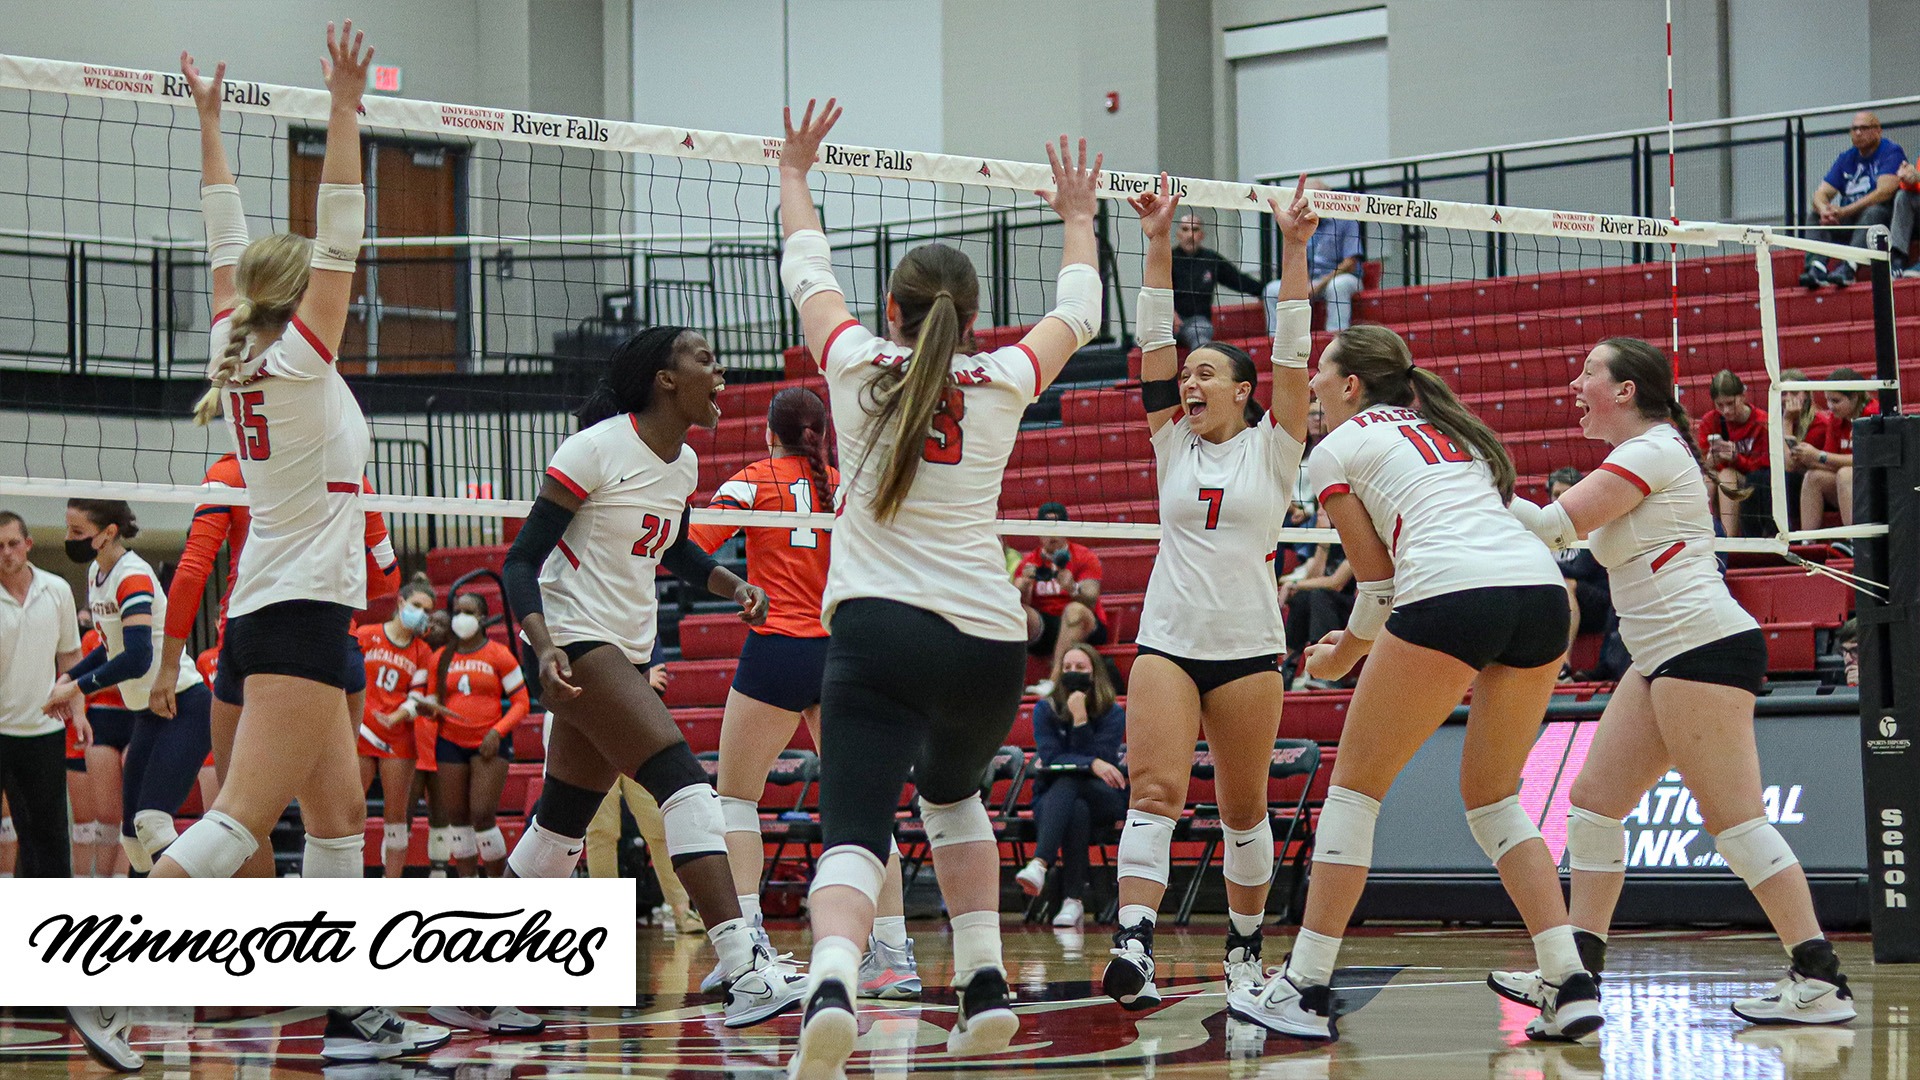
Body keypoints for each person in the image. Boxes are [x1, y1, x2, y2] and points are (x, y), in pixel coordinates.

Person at [777, 99, 1104, 1077]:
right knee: (956, 800)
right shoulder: (1003, 376)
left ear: (894, 310)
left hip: (882, 634)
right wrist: (1078, 216)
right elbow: (1081, 314)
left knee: (854, 830)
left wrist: (797, 173)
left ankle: (834, 980)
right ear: (969, 316)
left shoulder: (850, 361)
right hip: (989, 644)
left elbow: (807, 271)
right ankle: (984, 978)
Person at [157, 33, 453, 1064]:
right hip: (290, 617)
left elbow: (220, 237)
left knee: (339, 824)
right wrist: (341, 107)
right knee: (241, 822)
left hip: (282, 612)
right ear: (303, 295)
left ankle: (348, 1013)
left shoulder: (232, 343)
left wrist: (208, 125)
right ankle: (109, 978)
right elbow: (343, 226)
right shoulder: (293, 357)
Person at [1228, 323, 1597, 1042]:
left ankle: (1303, 987)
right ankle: (1568, 976)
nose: (1312, 391)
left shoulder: (1335, 448)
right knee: (1494, 802)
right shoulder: (1446, 430)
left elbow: (1379, 585)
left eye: (1322, 376)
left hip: (1455, 595)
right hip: (1542, 598)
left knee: (1353, 792)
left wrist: (1340, 659)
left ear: (1352, 386)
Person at [1498, 336, 1856, 1026]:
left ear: (1626, 390)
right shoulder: (1637, 455)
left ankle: (1820, 981)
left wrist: (1469, 479)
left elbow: (1548, 527)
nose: (1574, 383)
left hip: (1703, 644)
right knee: (1594, 805)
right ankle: (1575, 982)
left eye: (1587, 371)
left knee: (1737, 825)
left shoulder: (1651, 450)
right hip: (1660, 653)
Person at [497, 317, 806, 1031]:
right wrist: (542, 648)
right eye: (707, 359)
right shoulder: (593, 449)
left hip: (625, 646)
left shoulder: (684, 464)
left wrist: (734, 589)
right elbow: (520, 561)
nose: (721, 371)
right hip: (573, 643)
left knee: (559, 830)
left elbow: (672, 550)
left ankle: (477, 980)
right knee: (683, 781)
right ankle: (743, 968)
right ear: (666, 379)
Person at [1101, 175, 1311, 1011]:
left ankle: (1245, 952)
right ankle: (1135, 944)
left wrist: (1293, 248)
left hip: (1251, 649)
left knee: (1243, 811)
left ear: (1243, 390)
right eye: (1185, 373)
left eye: (1207, 373)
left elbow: (1294, 349)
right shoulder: (1170, 443)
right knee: (1153, 793)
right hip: (1170, 640)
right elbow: (1152, 338)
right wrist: (1154, 242)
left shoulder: (1277, 446)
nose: (1189, 383)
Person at [685, 386, 923, 1002]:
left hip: (775, 652)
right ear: (824, 434)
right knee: (865, 807)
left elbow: (691, 547)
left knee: (735, 799)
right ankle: (893, 955)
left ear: (770, 432)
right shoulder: (847, 487)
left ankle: (748, 947)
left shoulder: (751, 479)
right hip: (840, 655)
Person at [151, 450, 400, 880]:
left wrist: (170, 666)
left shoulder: (230, 471)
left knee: (319, 820)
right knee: (268, 820)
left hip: (244, 639)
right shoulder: (344, 470)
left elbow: (193, 571)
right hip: (325, 640)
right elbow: (386, 578)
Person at [42, 500, 212, 875]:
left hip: (184, 707)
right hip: (148, 714)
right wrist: (70, 677)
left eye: (78, 532)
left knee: (152, 822)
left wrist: (78, 689)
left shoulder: (132, 576)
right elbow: (111, 647)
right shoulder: (96, 573)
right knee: (133, 838)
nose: (69, 539)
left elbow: (137, 657)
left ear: (108, 533)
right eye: (68, 529)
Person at [584, 641, 703, 935]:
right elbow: (570, 682)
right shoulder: (580, 618)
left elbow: (658, 682)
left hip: (636, 725)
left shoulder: (639, 617)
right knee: (601, 829)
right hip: (587, 726)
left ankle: (681, 910)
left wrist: (614, 686)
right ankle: (605, 916)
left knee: (658, 824)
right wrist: (634, 683)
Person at [1014, 644, 1127, 928]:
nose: (1073, 674)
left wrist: (1080, 719)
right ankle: (1072, 901)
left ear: (1094, 673)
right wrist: (1090, 764)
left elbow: (1102, 759)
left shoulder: (1112, 712)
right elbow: (1051, 758)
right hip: (1055, 800)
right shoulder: (1045, 709)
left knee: (1068, 780)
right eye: (1068, 668)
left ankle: (1040, 863)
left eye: (1080, 669)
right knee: (1074, 805)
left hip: (1103, 796)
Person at [0, 508, 84, 879]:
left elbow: (71, 658)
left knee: (47, 836)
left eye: (13, 543)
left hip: (44, 731)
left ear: (28, 544)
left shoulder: (57, 590)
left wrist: (78, 712)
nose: (6, 552)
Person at [419, 592, 526, 878]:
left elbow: (522, 703)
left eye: (467, 612)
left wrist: (497, 731)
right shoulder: (441, 658)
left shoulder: (499, 654)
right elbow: (433, 701)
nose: (460, 617)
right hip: (450, 743)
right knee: (457, 819)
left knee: (481, 815)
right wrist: (427, 708)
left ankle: (498, 883)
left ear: (481, 618)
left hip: (488, 743)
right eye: (456, 611)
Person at [356, 579, 436, 878]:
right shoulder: (366, 635)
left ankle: (392, 882)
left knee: (396, 815)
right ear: (401, 602)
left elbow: (418, 695)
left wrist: (399, 715)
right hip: (361, 733)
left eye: (426, 610)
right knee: (352, 810)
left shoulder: (422, 652)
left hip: (398, 737)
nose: (420, 612)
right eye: (416, 605)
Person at [1801, 111, 1903, 288]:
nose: (1858, 133)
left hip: (1880, 222)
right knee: (1815, 216)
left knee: (1873, 212)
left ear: (1878, 130)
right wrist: (1825, 210)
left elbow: (1884, 193)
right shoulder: (1847, 157)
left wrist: (1844, 211)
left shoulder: (1891, 151)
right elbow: (1820, 193)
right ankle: (1816, 268)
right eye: (1854, 129)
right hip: (1850, 219)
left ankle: (1849, 267)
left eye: (1864, 128)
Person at [1016, 502, 1109, 693]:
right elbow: (1017, 605)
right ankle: (1007, 681)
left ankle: (1054, 680)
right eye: (1046, 528)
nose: (1052, 534)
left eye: (1057, 527)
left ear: (1067, 528)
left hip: (1084, 624)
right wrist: (1023, 585)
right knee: (1016, 613)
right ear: (1038, 532)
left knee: (1073, 610)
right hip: (1047, 628)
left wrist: (1073, 588)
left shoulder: (1084, 557)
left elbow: (1091, 598)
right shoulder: (1028, 562)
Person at [1264, 178, 1363, 332]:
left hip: (1338, 278)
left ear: (1328, 196)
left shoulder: (1346, 220)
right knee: (1271, 290)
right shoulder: (1300, 221)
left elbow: (1350, 263)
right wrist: (1304, 282)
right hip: (1309, 281)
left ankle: (1335, 337)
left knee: (1338, 287)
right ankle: (1276, 339)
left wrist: (1319, 284)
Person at [1546, 469, 1614, 671]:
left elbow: (1581, 571)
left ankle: (1562, 665)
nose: (1559, 500)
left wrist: (1543, 562)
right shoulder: (1545, 527)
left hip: (1598, 605)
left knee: (1566, 583)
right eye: (1556, 494)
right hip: (1560, 602)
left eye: (1565, 493)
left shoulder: (1591, 523)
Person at [1278, 518, 1355, 690]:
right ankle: (1291, 661)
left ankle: (1328, 670)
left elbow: (1337, 582)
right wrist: (1323, 539)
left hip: (1350, 609)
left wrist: (1293, 584)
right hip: (1323, 607)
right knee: (1303, 597)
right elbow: (1314, 577)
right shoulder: (1327, 540)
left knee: (1318, 595)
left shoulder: (1354, 535)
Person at [1172, 211, 1266, 350]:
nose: (1190, 235)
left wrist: (1265, 291)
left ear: (1202, 235)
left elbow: (1238, 280)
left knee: (1200, 337)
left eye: (1195, 229)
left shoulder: (1211, 259)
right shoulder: (1167, 258)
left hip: (1198, 322)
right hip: (1167, 320)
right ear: (1178, 234)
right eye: (1185, 229)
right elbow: (1154, 291)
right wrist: (1170, 314)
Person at [1794, 368, 1873, 530]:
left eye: (1836, 401)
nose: (1830, 407)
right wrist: (1809, 459)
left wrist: (1819, 456)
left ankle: (1854, 540)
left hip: (1876, 483)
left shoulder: (1872, 415)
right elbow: (1829, 459)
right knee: (1812, 477)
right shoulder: (1836, 420)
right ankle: (1808, 542)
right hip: (1849, 485)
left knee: (1845, 473)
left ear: (1854, 398)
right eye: (1828, 401)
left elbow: (1867, 460)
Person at [1696, 370, 1767, 538]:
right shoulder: (1710, 421)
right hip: (1720, 478)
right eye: (1720, 405)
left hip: (1753, 484)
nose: (1726, 410)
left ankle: (1729, 539)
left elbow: (1763, 469)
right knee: (1708, 479)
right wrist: (1710, 462)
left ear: (1743, 396)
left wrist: (1736, 459)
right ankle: (1701, 537)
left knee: (1727, 475)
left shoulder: (1761, 421)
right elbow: (1699, 465)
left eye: (1730, 403)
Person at [1777, 368, 1818, 530]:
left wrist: (1787, 421)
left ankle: (1789, 536)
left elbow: (1789, 466)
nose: (1788, 399)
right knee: (1757, 479)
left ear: (1806, 395)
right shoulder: (1772, 423)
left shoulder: (1818, 423)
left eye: (1794, 393)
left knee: (1786, 480)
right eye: (1783, 394)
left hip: (1805, 482)